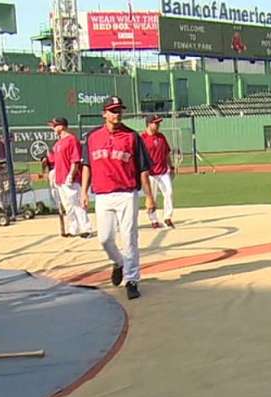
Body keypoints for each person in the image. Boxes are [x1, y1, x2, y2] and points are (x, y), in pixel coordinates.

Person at [81, 96, 157, 300]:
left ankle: (131, 280)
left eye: (119, 110)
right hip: (102, 194)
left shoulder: (132, 136)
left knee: (129, 237)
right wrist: (84, 192)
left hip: (126, 192)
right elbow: (87, 165)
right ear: (104, 114)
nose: (117, 114)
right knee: (105, 239)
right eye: (113, 110)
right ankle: (119, 262)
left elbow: (143, 169)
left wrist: (149, 197)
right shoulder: (92, 137)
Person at [49, 117, 93, 238]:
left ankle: (86, 228)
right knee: (68, 206)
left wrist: (71, 174)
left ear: (61, 126)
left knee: (77, 203)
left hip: (70, 178)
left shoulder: (71, 140)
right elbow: (55, 161)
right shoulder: (57, 143)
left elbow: (75, 159)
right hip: (60, 179)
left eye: (55, 125)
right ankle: (74, 228)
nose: (53, 128)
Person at [141, 115, 176, 229]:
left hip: (163, 171)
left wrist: (171, 167)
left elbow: (166, 153)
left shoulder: (161, 137)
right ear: (149, 124)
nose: (158, 125)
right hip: (150, 174)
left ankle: (167, 218)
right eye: (155, 123)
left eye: (158, 123)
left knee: (169, 193)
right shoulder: (142, 138)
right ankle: (154, 220)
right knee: (152, 197)